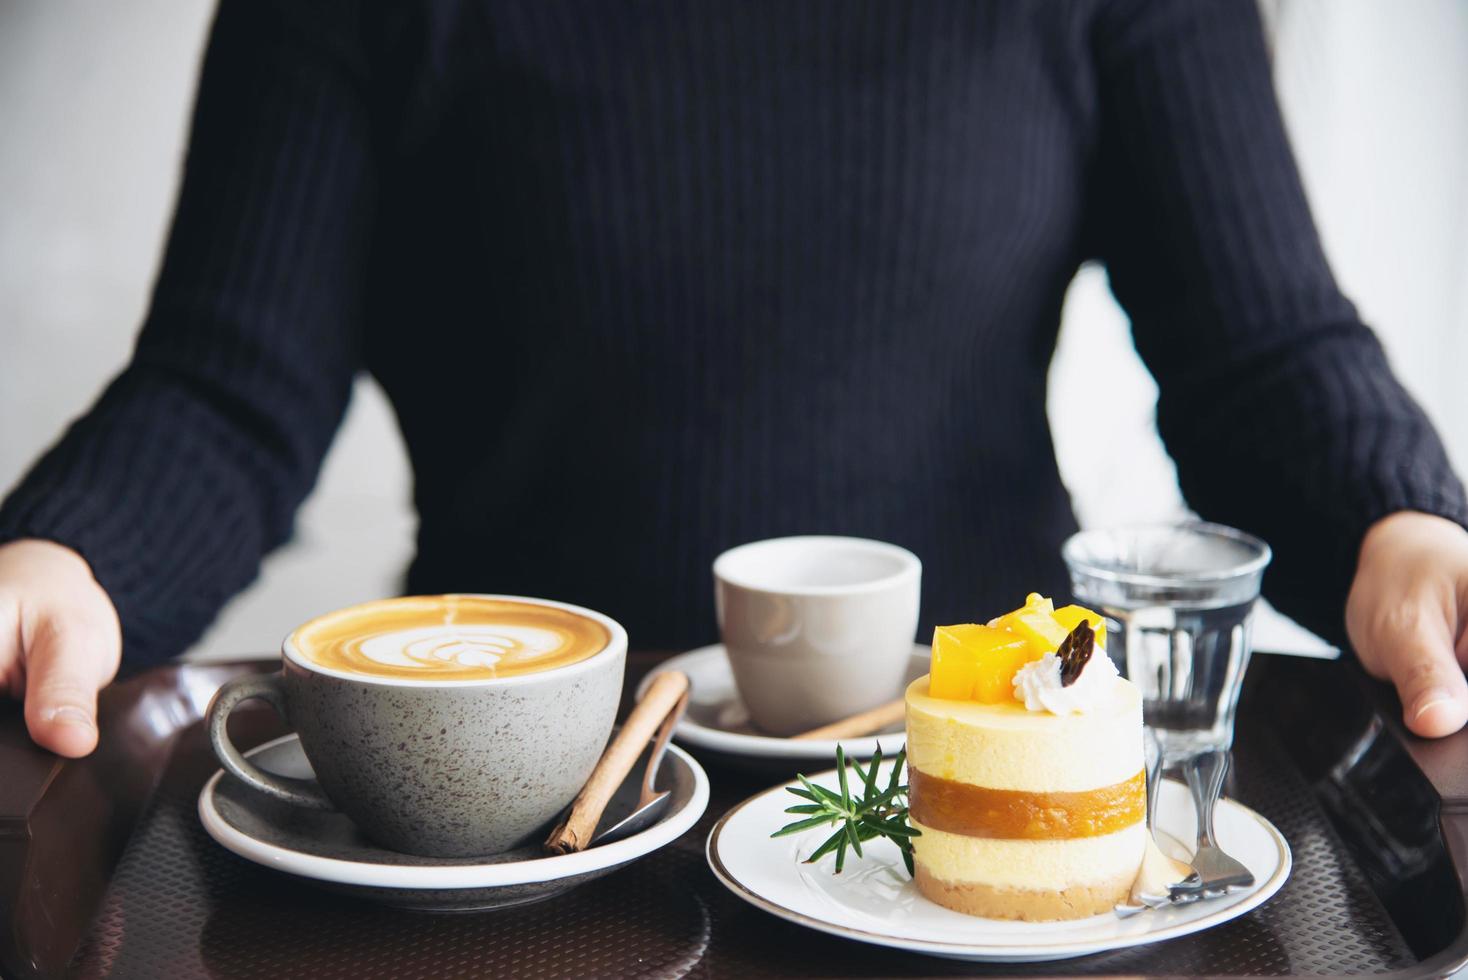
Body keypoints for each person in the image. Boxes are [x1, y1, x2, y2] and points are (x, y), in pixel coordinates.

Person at [2, 0, 1466, 760]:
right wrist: (67, 559)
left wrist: (1406, 526)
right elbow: (226, 390)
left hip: (984, 784)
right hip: (515, 814)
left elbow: (1260, 354)